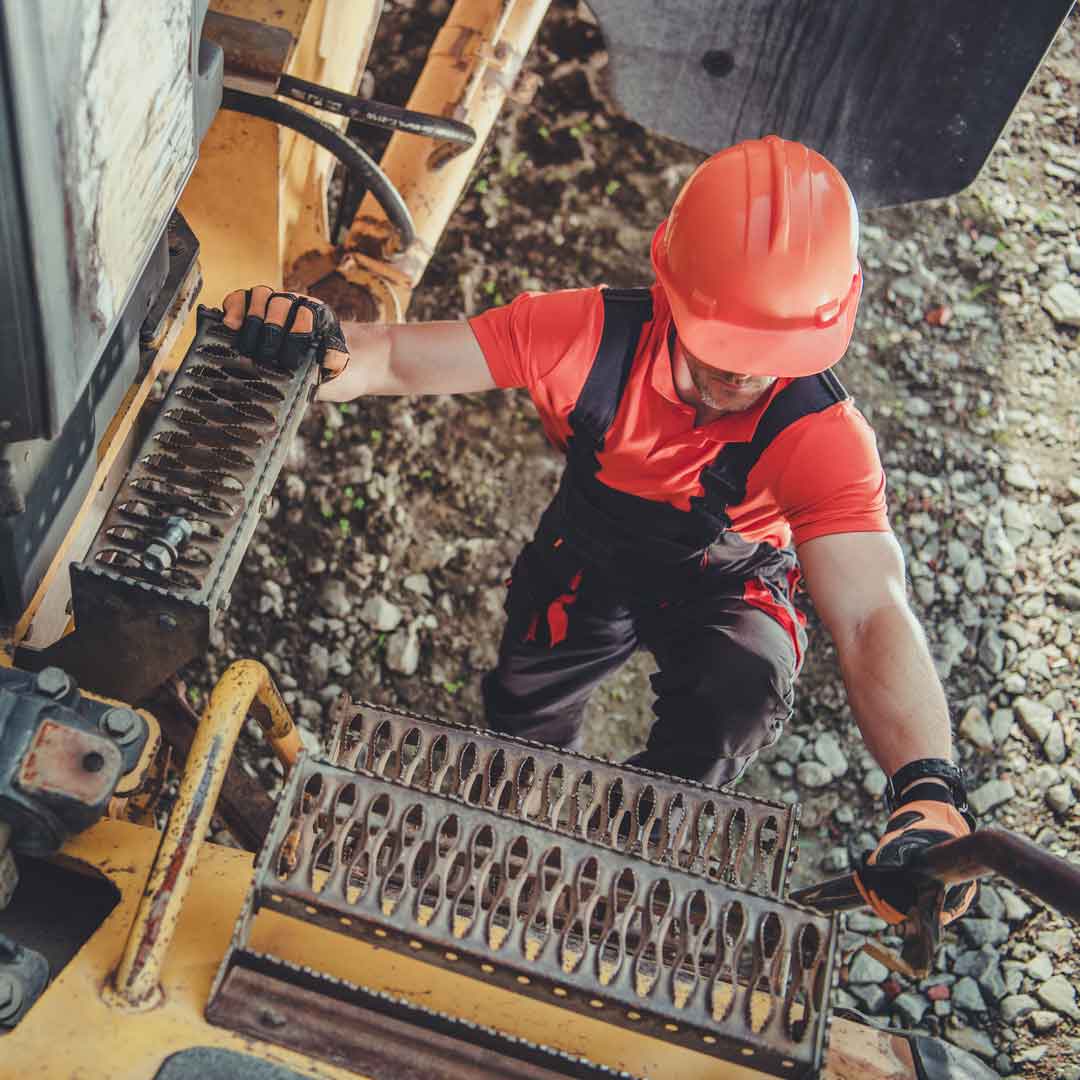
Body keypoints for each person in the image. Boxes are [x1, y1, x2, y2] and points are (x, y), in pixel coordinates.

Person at [222, 134, 975, 927]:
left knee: (738, 692)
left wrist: (927, 785)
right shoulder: (582, 336)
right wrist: (315, 343)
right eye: (725, 343)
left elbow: (868, 613)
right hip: (590, 551)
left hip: (730, 581)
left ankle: (632, 850)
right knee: (524, 706)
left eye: (775, 352)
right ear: (671, 285)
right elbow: (399, 359)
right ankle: (510, 807)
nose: (747, 374)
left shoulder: (823, 436)